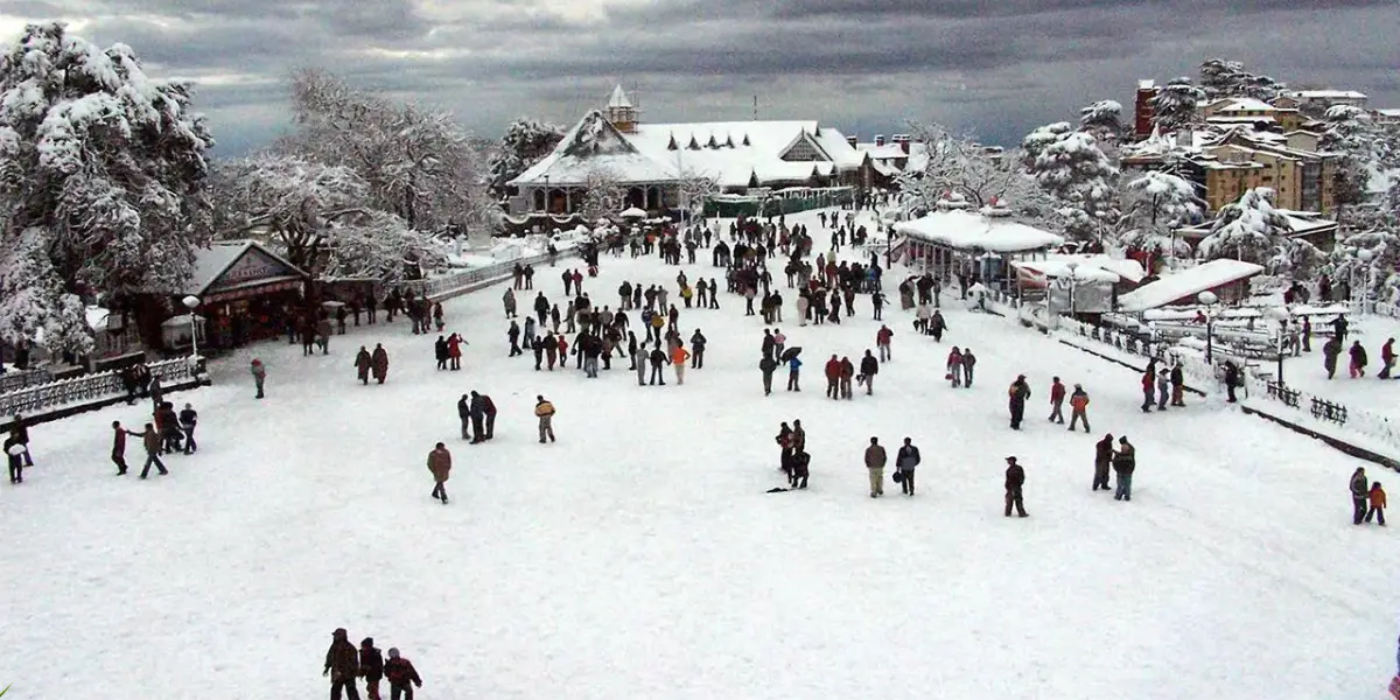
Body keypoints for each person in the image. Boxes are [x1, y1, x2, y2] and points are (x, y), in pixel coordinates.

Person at [323, 627, 361, 700]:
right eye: (335, 635)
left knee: (351, 692)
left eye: (337, 635)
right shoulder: (334, 646)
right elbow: (330, 657)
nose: (335, 637)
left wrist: (350, 672)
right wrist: (327, 667)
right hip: (337, 674)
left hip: (348, 675)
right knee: (335, 692)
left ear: (342, 636)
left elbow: (354, 663)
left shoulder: (350, 648)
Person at [1113, 436, 1136, 501]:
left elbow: (1116, 462)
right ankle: (1126, 495)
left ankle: (1120, 495)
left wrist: (1117, 469)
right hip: (1126, 471)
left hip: (1124, 471)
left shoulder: (1127, 451)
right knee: (1126, 484)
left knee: (1121, 484)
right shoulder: (1129, 448)